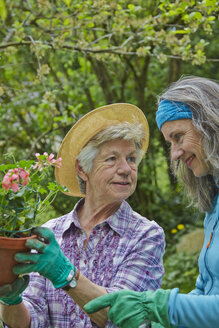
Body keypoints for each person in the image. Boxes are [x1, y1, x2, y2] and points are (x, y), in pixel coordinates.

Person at [0, 103, 165, 328]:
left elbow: (125, 320)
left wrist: (66, 275)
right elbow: (31, 321)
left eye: (132, 159)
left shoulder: (146, 236)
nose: (126, 169)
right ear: (82, 169)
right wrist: (10, 300)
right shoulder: (52, 233)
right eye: (112, 159)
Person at [84, 76, 219, 328]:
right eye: (170, 143)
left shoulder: (145, 234)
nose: (176, 153)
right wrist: (162, 321)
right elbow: (207, 291)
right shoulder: (214, 205)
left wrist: (160, 306)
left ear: (210, 125)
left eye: (179, 137)